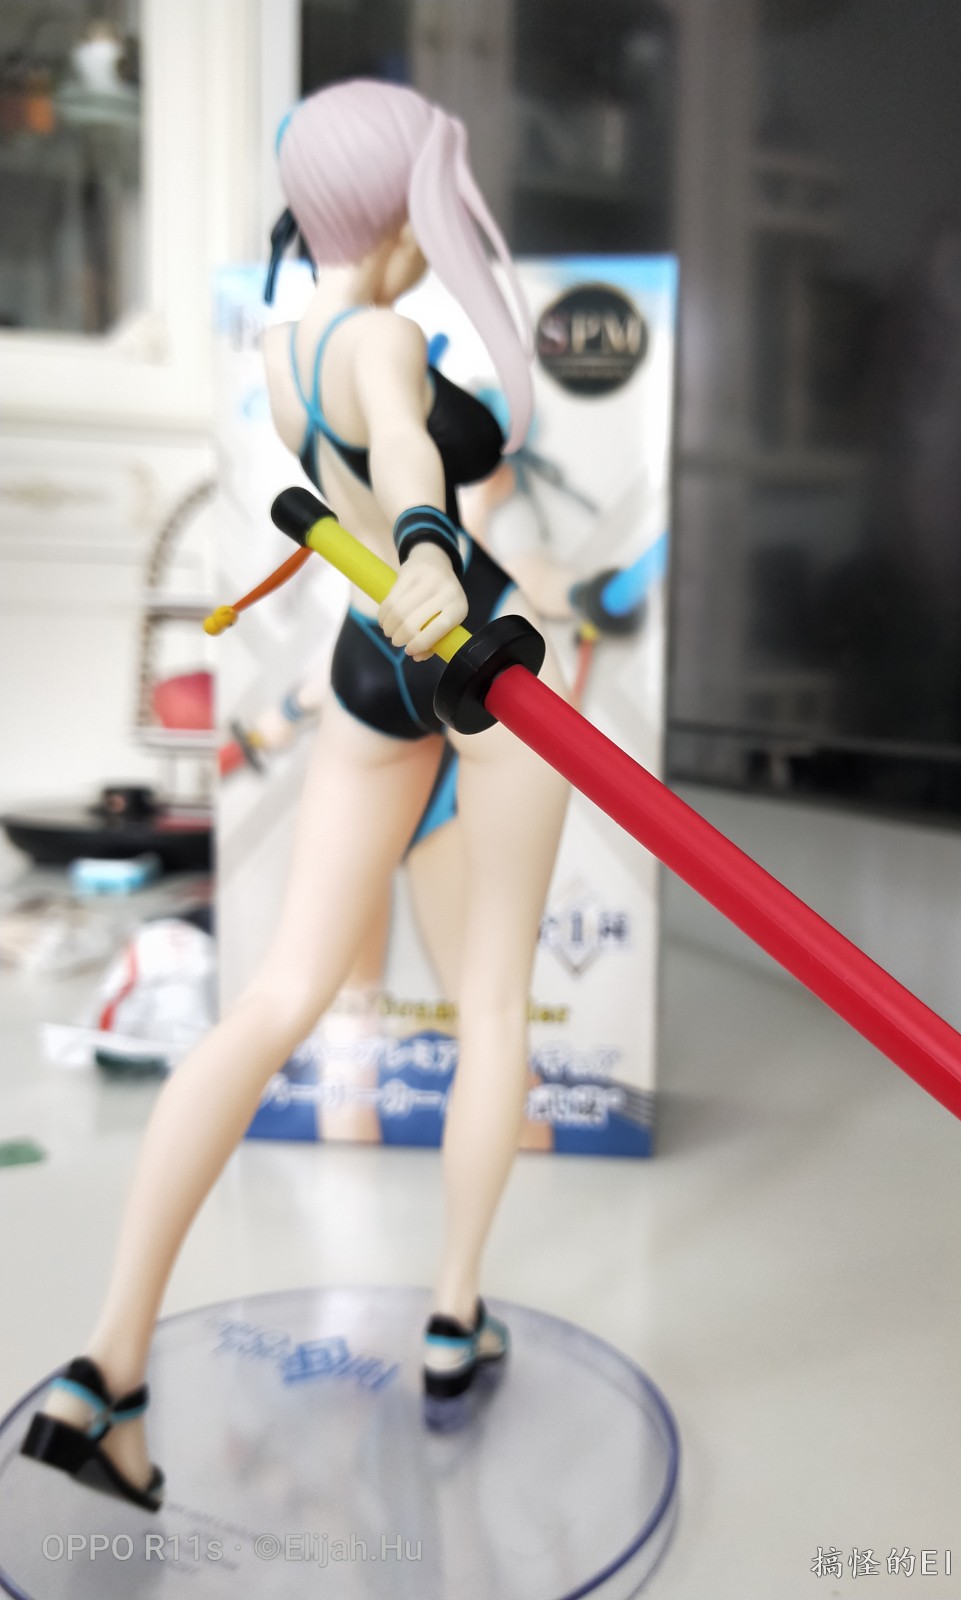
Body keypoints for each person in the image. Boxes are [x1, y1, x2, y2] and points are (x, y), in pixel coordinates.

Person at [21, 79, 570, 1509]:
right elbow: (407, 444)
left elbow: (375, 449)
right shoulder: (386, 338)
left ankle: (105, 1363)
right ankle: (453, 1319)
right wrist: (436, 545)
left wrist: (412, 548)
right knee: (493, 1001)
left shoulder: (281, 346)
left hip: (371, 659)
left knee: (276, 994)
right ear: (403, 205)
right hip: (476, 652)